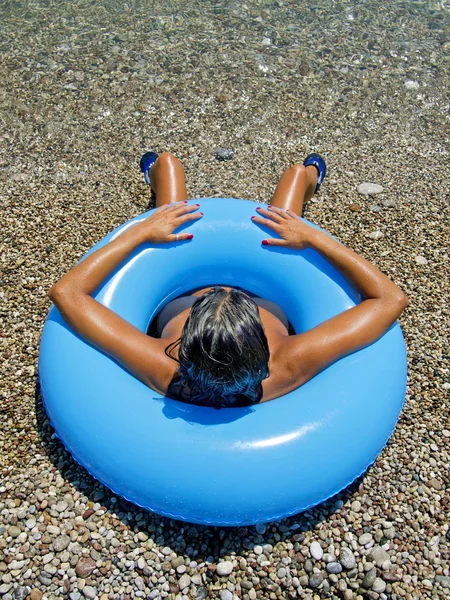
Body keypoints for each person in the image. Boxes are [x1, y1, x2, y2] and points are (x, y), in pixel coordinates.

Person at [48, 152, 408, 408]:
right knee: (291, 190)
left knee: (170, 164)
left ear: (185, 346)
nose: (224, 289)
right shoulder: (287, 364)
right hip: (266, 274)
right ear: (260, 347)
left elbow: (67, 293)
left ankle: (161, 169)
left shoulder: (163, 365)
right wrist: (315, 237)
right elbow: (390, 300)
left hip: (182, 273)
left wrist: (141, 233)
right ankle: (305, 177)